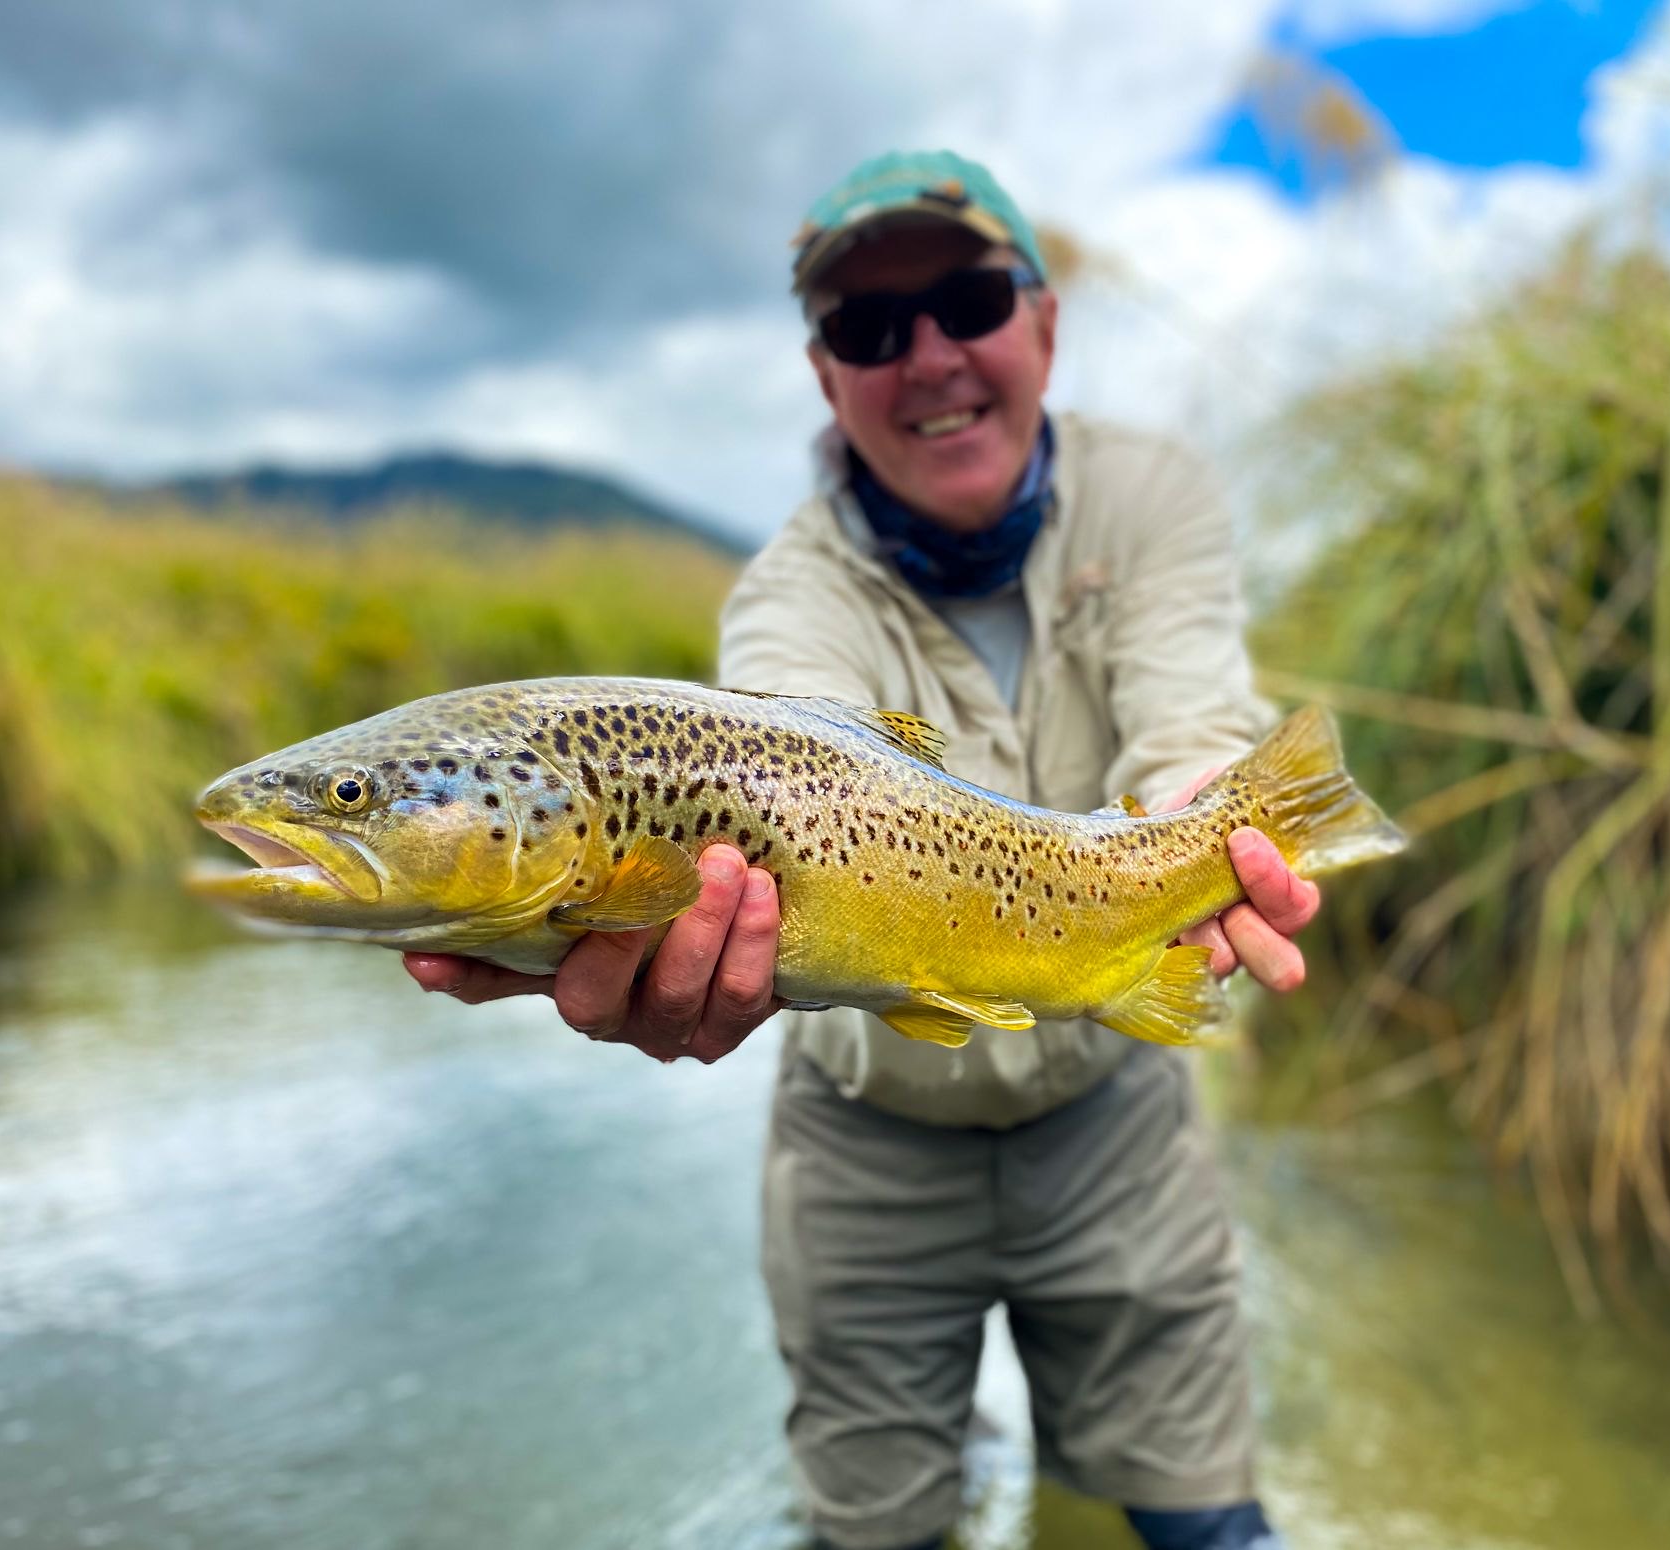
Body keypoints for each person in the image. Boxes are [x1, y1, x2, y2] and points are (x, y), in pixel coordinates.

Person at [405, 150, 1319, 1550]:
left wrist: (1212, 815)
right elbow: (802, 752)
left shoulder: (1155, 494)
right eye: (868, 329)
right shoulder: (785, 594)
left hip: (1115, 1108)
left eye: (966, 300)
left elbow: (1189, 705)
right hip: (867, 1134)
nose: (929, 356)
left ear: (1046, 323)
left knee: (1200, 1519)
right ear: (827, 377)